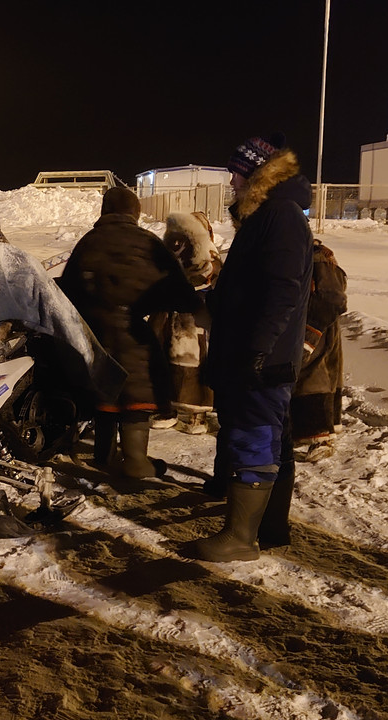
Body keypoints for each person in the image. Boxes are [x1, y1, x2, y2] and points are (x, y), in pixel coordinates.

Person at [186, 132, 314, 562]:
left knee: (253, 437)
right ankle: (268, 528)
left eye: (236, 175)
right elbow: (247, 290)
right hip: (256, 353)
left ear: (255, 174)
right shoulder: (268, 217)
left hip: (263, 358)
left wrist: (256, 350)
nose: (232, 183)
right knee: (268, 438)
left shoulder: (281, 217)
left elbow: (283, 292)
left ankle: (240, 538)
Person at [58, 187, 200, 479]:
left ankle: (103, 456)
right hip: (135, 336)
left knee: (104, 389)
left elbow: (66, 292)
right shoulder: (148, 244)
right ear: (135, 213)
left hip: (93, 336)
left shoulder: (88, 243)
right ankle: (136, 461)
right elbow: (182, 296)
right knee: (136, 391)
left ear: (104, 211)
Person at [149, 211, 222, 435]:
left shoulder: (208, 254)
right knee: (165, 360)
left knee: (195, 365)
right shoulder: (170, 251)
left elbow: (212, 277)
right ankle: (166, 408)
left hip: (196, 318)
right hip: (170, 314)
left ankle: (197, 414)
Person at [291, 238, 348, 461]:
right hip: (311, 323)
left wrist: (312, 329)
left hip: (317, 326)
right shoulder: (308, 256)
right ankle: (310, 432)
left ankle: (320, 437)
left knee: (314, 377)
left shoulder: (317, 259)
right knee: (308, 377)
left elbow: (332, 298)